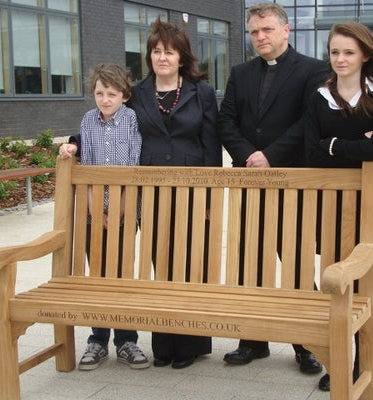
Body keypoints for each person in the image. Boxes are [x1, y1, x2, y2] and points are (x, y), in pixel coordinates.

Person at [59, 19, 222, 369]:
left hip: (190, 186)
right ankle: (164, 345)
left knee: (190, 263)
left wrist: (210, 196)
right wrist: (73, 144)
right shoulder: (139, 92)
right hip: (148, 192)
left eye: (170, 52)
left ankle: (190, 345)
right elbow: (102, 123)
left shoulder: (201, 92)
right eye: (156, 51)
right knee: (160, 261)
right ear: (149, 56)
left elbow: (211, 144)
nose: (162, 57)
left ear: (182, 57)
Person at [217, 2, 330, 375]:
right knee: (251, 261)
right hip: (249, 181)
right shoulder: (240, 72)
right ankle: (253, 340)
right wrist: (250, 155)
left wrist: (270, 155)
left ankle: (307, 343)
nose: (260, 37)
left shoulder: (314, 70)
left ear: (286, 30)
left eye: (266, 29)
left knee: (295, 264)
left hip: (290, 182)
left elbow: (307, 122)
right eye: (254, 31)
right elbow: (226, 121)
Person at [300, 21, 373, 391]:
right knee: (334, 279)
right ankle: (338, 361)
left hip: (368, 201)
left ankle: (360, 361)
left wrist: (333, 144)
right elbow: (312, 153)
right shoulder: (317, 97)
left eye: (348, 52)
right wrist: (351, 144)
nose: (340, 59)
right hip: (331, 201)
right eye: (334, 52)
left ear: (364, 54)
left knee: (361, 280)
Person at [68, 63, 150, 371]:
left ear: (125, 95)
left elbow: (132, 169)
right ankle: (98, 339)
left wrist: (118, 214)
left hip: (125, 212)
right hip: (93, 212)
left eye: (112, 94)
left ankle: (126, 339)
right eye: (100, 93)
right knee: (98, 274)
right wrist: (94, 211)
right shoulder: (88, 120)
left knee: (121, 273)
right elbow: (87, 166)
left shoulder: (131, 120)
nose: (105, 100)